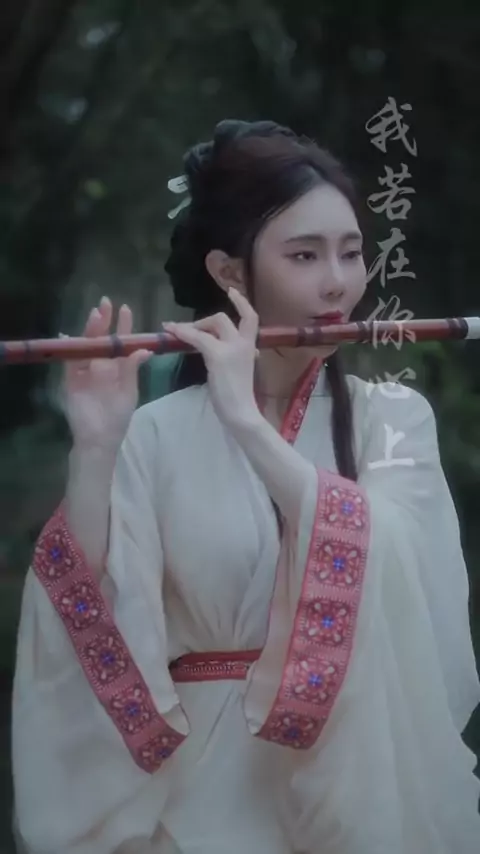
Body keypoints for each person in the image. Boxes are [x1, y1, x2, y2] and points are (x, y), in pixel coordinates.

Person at [11, 119, 480, 854]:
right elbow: (88, 608)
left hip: (353, 792)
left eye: (352, 252)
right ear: (230, 272)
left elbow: (400, 571)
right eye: (305, 255)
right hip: (193, 805)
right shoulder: (155, 432)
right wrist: (97, 446)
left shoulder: (393, 417)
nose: (339, 281)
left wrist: (247, 424)